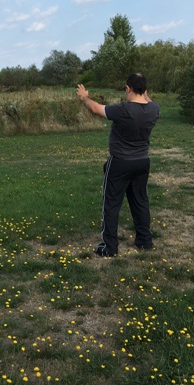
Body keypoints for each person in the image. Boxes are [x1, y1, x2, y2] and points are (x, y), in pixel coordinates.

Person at [77, 73, 160, 257]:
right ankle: (144, 241)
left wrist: (84, 97)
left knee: (111, 204)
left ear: (128, 88)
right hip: (142, 162)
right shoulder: (154, 109)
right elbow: (147, 98)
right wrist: (142, 87)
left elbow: (96, 109)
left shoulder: (124, 110)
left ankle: (109, 247)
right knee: (140, 202)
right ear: (144, 90)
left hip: (120, 163)